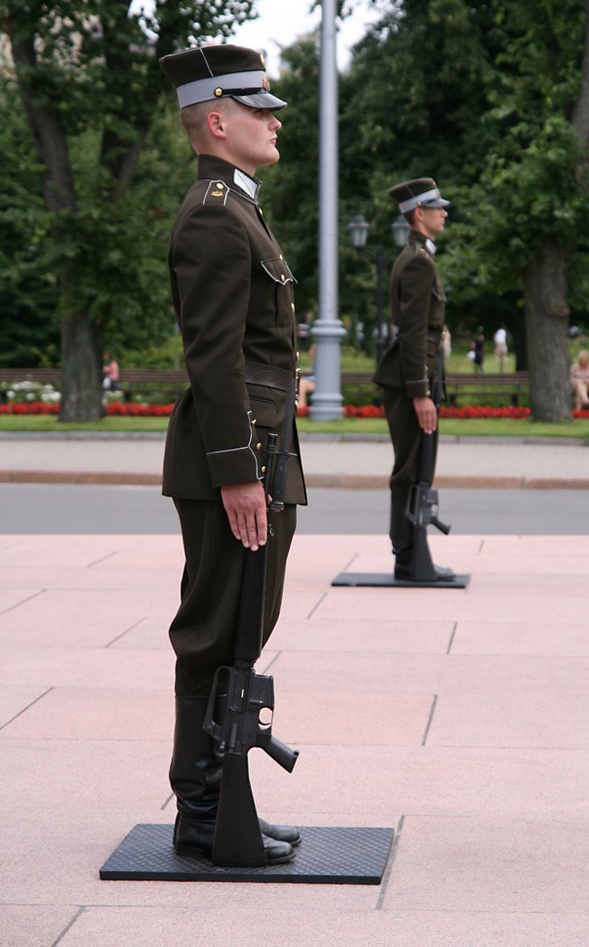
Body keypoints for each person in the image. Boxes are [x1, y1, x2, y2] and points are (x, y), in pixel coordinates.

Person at [159, 43, 307, 865]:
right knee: (216, 627)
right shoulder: (216, 212)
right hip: (238, 456)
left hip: (256, 447)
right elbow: (211, 360)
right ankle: (206, 807)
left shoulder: (236, 205)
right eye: (260, 110)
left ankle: (217, 798)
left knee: (246, 621)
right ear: (218, 121)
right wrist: (238, 475)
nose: (275, 118)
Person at [374, 176, 454, 582]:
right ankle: (407, 555)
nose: (444, 212)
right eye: (438, 207)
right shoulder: (419, 261)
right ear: (418, 213)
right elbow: (413, 332)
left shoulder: (417, 255)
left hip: (413, 378)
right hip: (411, 382)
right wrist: (420, 393)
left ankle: (410, 551)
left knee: (418, 467)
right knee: (411, 469)